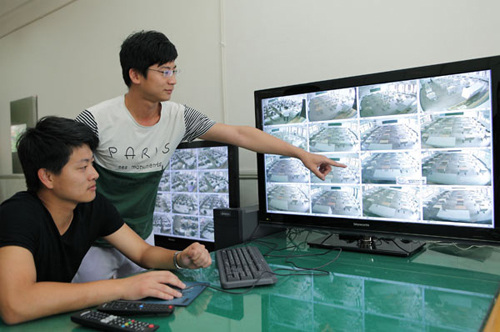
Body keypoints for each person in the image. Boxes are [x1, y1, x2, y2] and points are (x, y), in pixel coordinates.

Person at [73, 30, 346, 283]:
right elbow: (63, 171)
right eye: (164, 71)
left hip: (142, 239)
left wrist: (300, 154)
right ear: (135, 75)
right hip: (92, 243)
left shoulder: (178, 117)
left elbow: (240, 135)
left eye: (175, 70)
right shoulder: (96, 120)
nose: (173, 79)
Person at [0, 117, 211, 325]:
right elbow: (16, 304)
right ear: (47, 177)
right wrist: (123, 288)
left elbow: (142, 252)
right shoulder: (17, 215)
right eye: (82, 167)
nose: (94, 175)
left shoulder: (91, 205)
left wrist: (179, 258)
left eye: (92, 164)